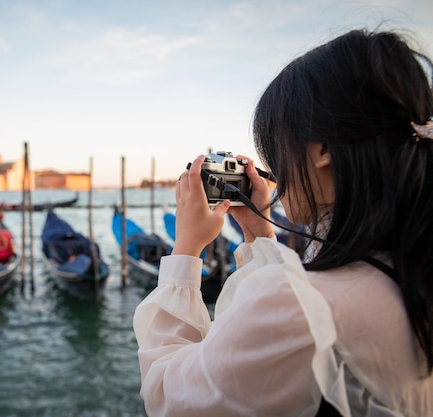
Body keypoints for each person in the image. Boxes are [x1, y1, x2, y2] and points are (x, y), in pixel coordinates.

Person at [133, 29, 433, 416]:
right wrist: (259, 232)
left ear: (322, 148)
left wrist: (186, 250)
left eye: (276, 149)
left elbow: (170, 399)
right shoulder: (407, 271)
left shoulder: (307, 307)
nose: (274, 170)